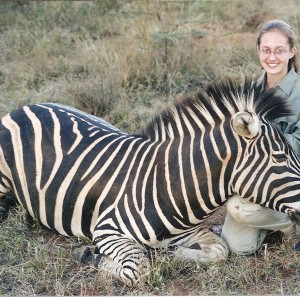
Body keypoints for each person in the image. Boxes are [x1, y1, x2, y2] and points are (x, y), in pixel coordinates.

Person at [220, 19, 300, 255]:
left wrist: (264, 140)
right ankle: (287, 224)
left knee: (237, 208)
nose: (272, 57)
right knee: (238, 247)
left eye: (279, 50)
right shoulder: (249, 93)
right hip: (258, 179)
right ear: (258, 51)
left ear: (291, 52)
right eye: (266, 50)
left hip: (292, 178)